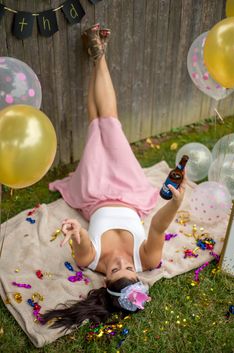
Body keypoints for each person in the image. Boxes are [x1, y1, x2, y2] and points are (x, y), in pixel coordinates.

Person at [41, 23, 186, 331]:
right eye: (129, 267)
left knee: (95, 125)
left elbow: (79, 240)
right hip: (129, 189)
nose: (122, 261)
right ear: (138, 272)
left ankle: (98, 55)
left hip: (94, 192)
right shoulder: (147, 260)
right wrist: (175, 203)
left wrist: (72, 228)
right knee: (110, 123)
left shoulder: (90, 260)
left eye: (116, 268)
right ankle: (99, 55)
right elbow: (159, 226)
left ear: (105, 279)